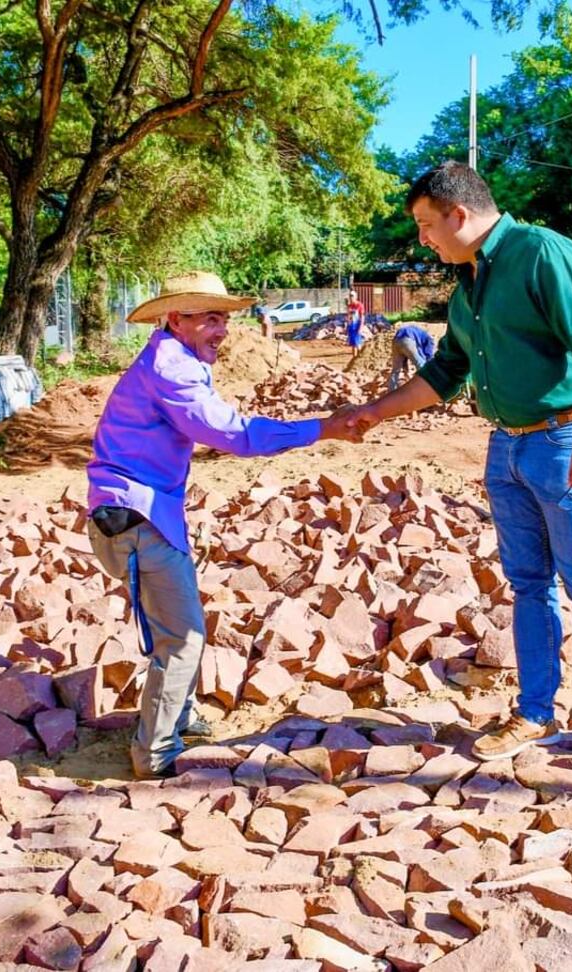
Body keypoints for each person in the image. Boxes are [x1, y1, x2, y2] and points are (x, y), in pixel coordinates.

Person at [346, 161, 572, 767]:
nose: (424, 239)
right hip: (505, 446)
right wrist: (376, 412)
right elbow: (443, 374)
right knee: (530, 585)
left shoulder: (543, 254)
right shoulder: (469, 284)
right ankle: (536, 713)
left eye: (428, 225)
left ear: (459, 213)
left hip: (563, 443)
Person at [86, 270, 361, 779]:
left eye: (224, 317)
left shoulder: (171, 358)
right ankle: (156, 752)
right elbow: (231, 434)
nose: (222, 328)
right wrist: (322, 428)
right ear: (177, 319)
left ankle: (181, 716)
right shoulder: (172, 368)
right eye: (210, 317)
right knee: (184, 636)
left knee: (176, 625)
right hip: (138, 517)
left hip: (141, 512)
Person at [388, 324, 436, 391]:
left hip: (396, 341)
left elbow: (405, 356)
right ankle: (428, 389)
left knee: (395, 370)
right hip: (407, 339)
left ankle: (391, 391)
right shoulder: (429, 339)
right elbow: (429, 355)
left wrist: (406, 370)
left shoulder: (418, 334)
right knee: (421, 365)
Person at [345, 289, 366, 359]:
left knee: (357, 343)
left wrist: (360, 327)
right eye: (350, 296)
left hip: (357, 326)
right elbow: (348, 316)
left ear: (356, 297)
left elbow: (362, 317)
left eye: (352, 296)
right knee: (353, 344)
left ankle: (361, 358)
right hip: (351, 326)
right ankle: (354, 359)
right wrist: (347, 326)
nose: (351, 297)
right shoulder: (349, 306)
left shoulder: (359, 305)